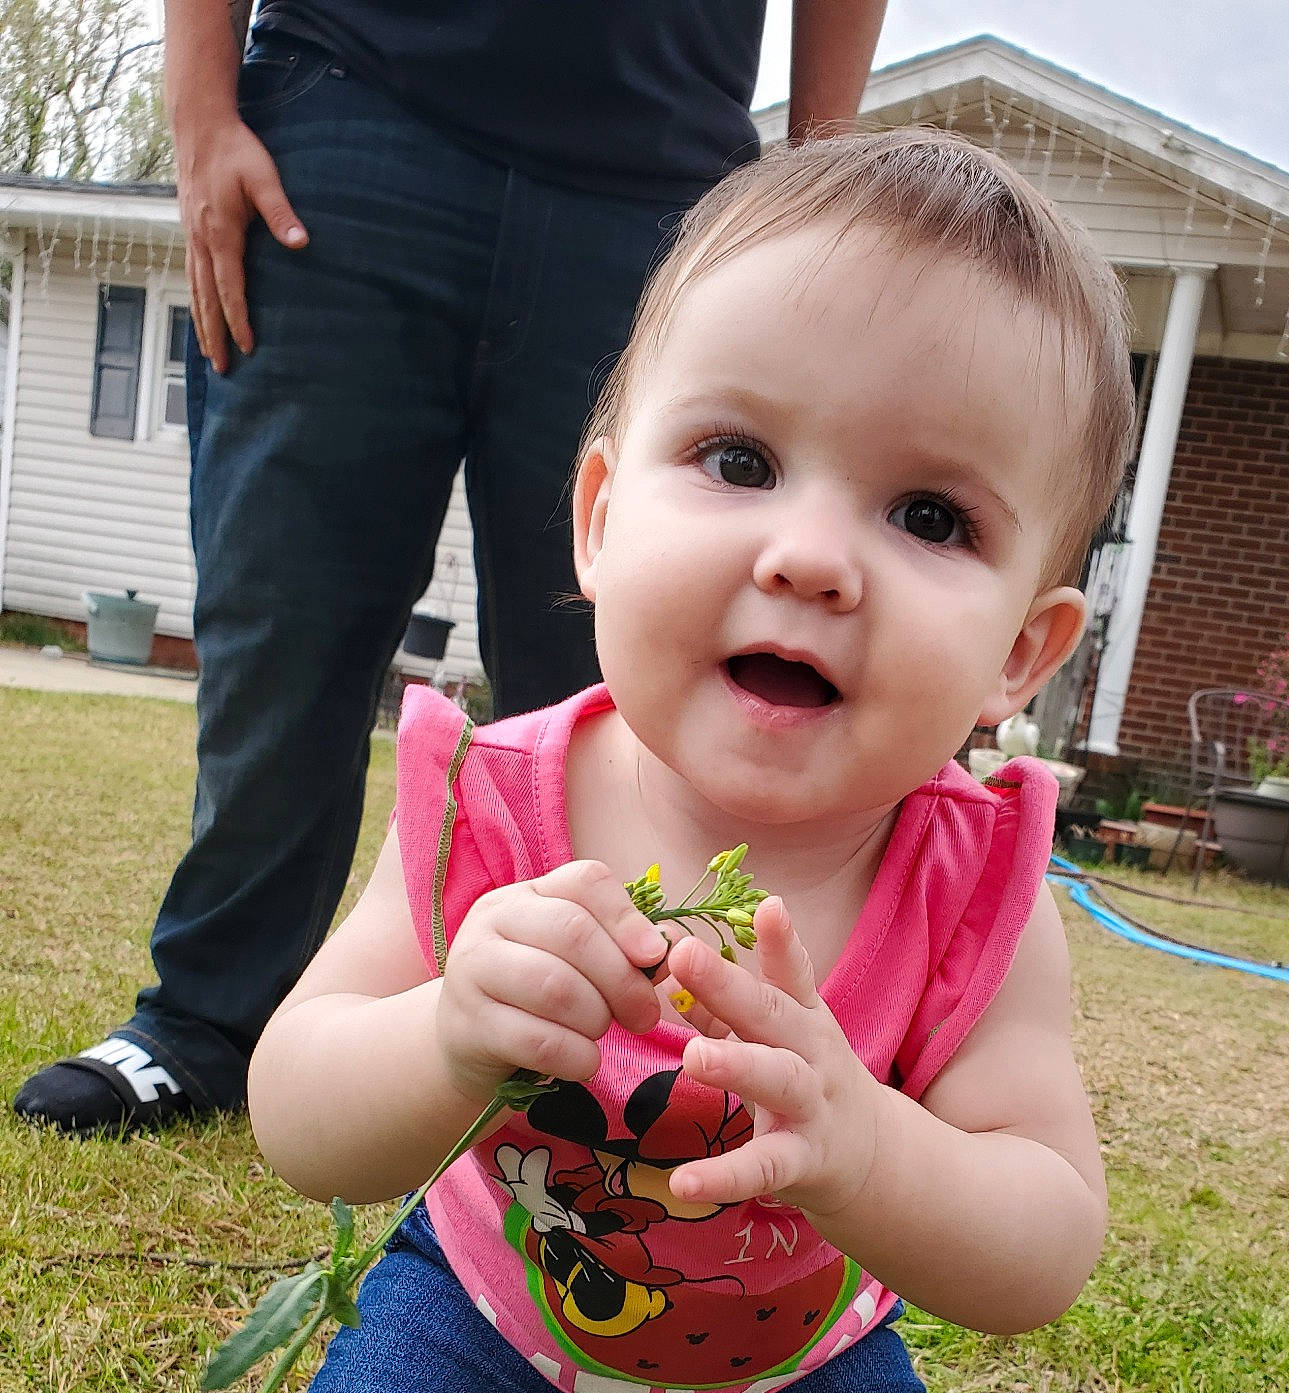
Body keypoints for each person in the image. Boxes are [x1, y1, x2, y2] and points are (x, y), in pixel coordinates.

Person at [118, 130, 1135, 1393]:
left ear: (1021, 647)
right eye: (738, 461)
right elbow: (293, 1112)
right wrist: (443, 1032)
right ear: (595, 516)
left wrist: (865, 1140)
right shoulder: (482, 800)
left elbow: (1044, 1235)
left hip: (798, 1369)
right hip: (486, 1305)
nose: (811, 553)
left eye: (929, 512)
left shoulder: (973, 887)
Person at [12, 0, 886, 1139]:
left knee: (630, 669)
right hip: (346, 103)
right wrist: (200, 105)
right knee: (285, 622)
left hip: (660, 174)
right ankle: (207, 1021)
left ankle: (629, 1056)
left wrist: (814, 189)